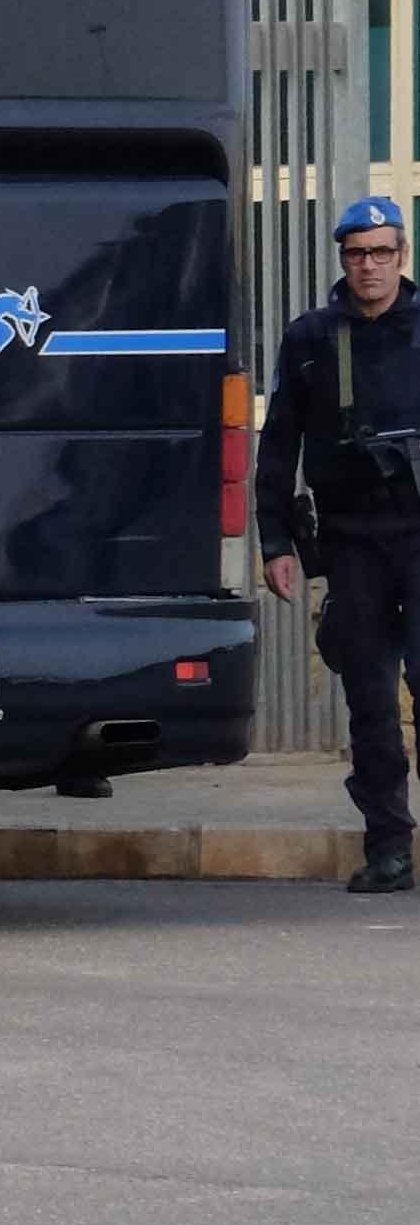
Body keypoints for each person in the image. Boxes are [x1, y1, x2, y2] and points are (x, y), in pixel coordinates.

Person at [258, 191, 420, 895]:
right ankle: (388, 847)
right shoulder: (311, 338)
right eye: (357, 254)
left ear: (402, 256)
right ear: (342, 260)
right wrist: (274, 541)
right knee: (371, 703)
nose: (369, 267)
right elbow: (278, 447)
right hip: (352, 544)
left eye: (382, 252)